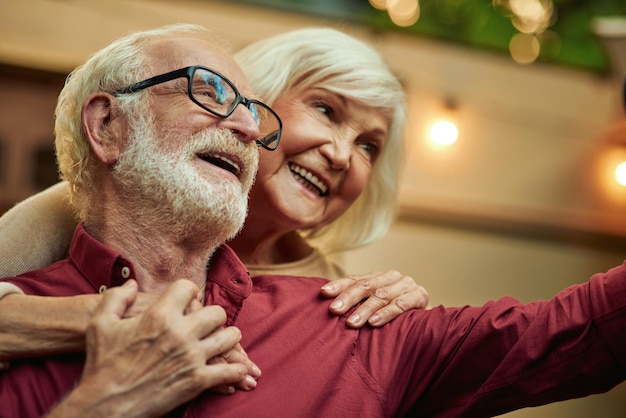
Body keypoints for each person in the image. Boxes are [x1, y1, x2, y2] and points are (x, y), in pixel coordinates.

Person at [1, 23, 625, 418]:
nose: (244, 125)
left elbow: (570, 331)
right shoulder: (39, 247)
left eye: (370, 147)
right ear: (107, 126)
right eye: (325, 110)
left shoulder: (351, 318)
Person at [0, 27, 429, 363]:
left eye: (368, 147)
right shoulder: (79, 206)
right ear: (250, 100)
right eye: (325, 110)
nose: (341, 155)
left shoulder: (340, 293)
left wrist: (407, 312)